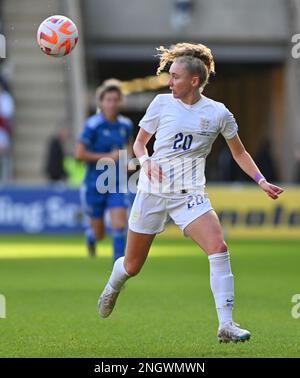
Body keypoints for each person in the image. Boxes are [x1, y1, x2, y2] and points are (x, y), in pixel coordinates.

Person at [97, 43, 284, 343]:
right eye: (169, 76)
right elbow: (139, 144)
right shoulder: (161, 104)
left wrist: (260, 180)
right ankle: (112, 287)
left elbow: (240, 152)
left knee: (219, 248)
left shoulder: (218, 113)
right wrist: (145, 163)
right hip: (153, 191)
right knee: (132, 266)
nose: (169, 82)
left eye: (175, 77)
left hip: (190, 193)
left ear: (194, 81)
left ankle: (226, 324)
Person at [75, 79, 133, 260]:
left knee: (119, 225)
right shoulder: (93, 125)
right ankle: (91, 236)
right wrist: (106, 156)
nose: (112, 104)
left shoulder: (125, 125)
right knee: (99, 233)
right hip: (94, 184)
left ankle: (118, 268)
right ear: (101, 102)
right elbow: (79, 154)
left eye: (116, 100)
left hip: (116, 182)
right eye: (108, 100)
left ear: (120, 101)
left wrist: (128, 160)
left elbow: (129, 146)